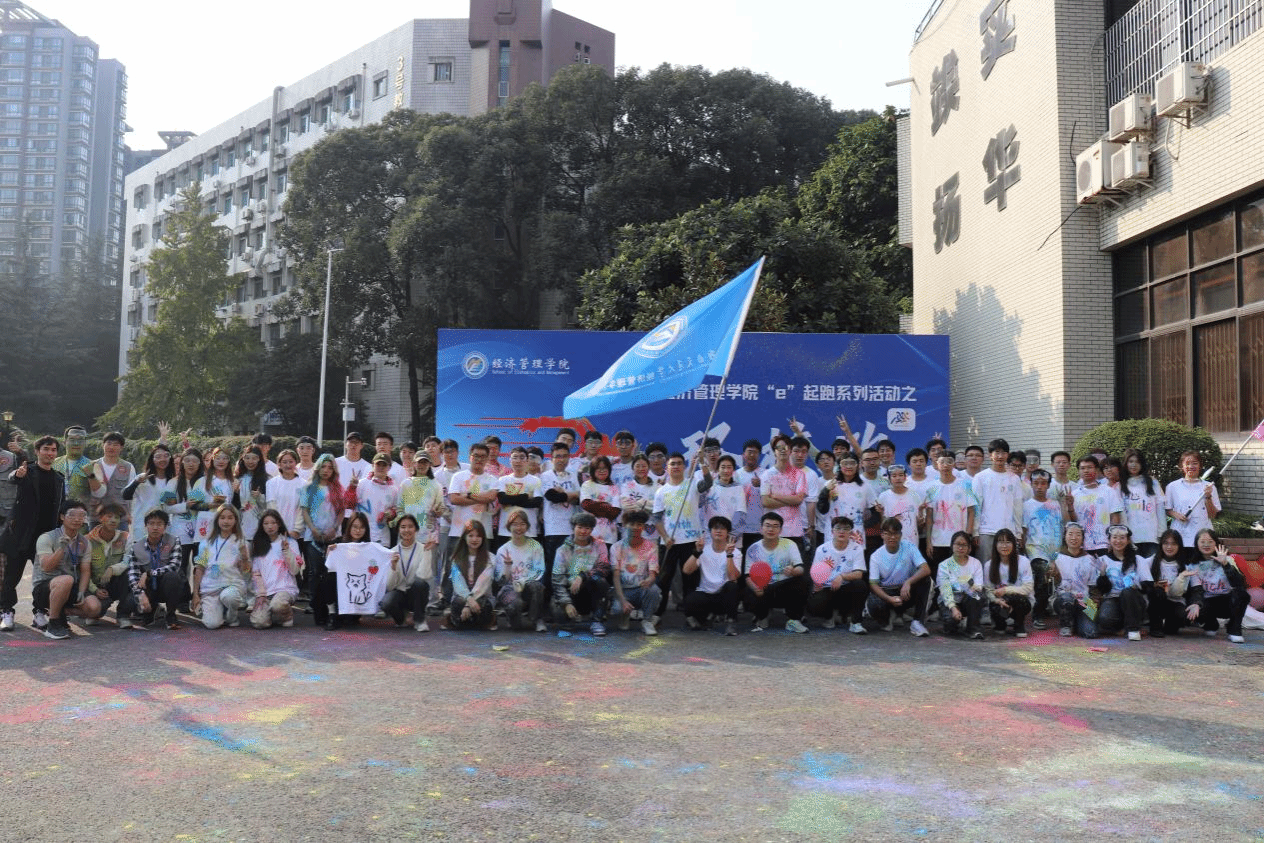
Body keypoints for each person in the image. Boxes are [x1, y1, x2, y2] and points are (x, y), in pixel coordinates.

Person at [0, 435, 64, 631]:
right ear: (37, 451)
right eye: (46, 449)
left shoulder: (59, 478)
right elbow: (13, 478)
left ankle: (39, 612)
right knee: (10, 576)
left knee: (43, 578)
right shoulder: (27, 470)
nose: (50, 453)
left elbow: (61, 506)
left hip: (45, 537)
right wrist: (17, 474)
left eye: (53, 450)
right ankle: (7, 612)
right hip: (20, 534)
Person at [31, 500, 103, 638]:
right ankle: (53, 625)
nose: (77, 519)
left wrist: (81, 591)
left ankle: (61, 613)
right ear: (62, 517)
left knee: (94, 608)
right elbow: (46, 567)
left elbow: (85, 570)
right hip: (45, 587)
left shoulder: (84, 542)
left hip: (70, 587)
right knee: (66, 580)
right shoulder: (47, 537)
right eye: (72, 515)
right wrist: (61, 549)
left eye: (81, 515)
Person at [652, 452, 705, 619]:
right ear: (667, 468)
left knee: (691, 579)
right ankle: (657, 614)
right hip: (669, 542)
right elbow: (656, 518)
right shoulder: (661, 491)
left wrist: (702, 463)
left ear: (684, 466)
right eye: (672, 464)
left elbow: (708, 483)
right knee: (664, 580)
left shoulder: (692, 485)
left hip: (691, 541)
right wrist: (665, 537)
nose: (676, 466)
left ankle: (692, 616)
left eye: (679, 463)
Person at [300, 454, 350, 628]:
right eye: (323, 467)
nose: (326, 470)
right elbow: (305, 511)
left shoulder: (338, 489)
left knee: (330, 572)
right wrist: (313, 529)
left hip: (332, 536)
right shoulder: (308, 488)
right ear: (318, 468)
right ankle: (315, 605)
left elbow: (342, 511)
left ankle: (330, 607)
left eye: (330, 468)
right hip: (312, 537)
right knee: (314, 571)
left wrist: (334, 528)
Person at [742, 511, 810, 633]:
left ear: (780, 530)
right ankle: (762, 615)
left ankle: (794, 620)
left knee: (802, 581)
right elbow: (747, 575)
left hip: (783, 588)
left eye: (775, 526)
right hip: (763, 588)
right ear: (761, 529)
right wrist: (755, 588)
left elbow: (800, 568)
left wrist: (793, 571)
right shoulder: (753, 549)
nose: (771, 529)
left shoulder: (789, 544)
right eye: (767, 525)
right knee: (748, 590)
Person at [865, 517, 932, 637]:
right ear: (882, 535)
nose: (892, 537)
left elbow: (925, 569)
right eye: (888, 534)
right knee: (873, 602)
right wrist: (888, 599)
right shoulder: (876, 556)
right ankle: (886, 619)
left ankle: (917, 622)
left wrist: (908, 582)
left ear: (900, 535)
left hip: (904, 590)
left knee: (925, 580)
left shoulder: (909, 546)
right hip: (887, 591)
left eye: (895, 533)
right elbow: (873, 584)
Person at [1183, 528, 1249, 643]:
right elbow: (1196, 589)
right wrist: (1196, 603)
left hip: (1227, 601)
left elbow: (1239, 583)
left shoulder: (1228, 559)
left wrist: (1225, 564)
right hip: (1207, 601)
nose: (1206, 545)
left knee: (1243, 595)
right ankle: (1210, 623)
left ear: (1216, 543)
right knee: (1193, 607)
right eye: (1202, 542)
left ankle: (1234, 629)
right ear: (1196, 544)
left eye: (1210, 541)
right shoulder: (1192, 565)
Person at [551, 512, 612, 636]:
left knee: (600, 581)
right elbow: (557, 579)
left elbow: (604, 567)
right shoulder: (562, 549)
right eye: (580, 527)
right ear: (573, 528)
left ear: (592, 529)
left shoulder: (599, 545)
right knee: (555, 605)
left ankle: (597, 621)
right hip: (570, 590)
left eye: (587, 528)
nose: (583, 531)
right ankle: (567, 623)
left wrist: (582, 576)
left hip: (590, 589)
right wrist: (566, 603)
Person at [191, 504, 251, 629]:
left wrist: (245, 558)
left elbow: (246, 572)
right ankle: (219, 610)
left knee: (229, 597)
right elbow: (200, 569)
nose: (226, 521)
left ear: (236, 520)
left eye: (230, 518)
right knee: (212, 624)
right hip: (210, 589)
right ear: (217, 520)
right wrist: (195, 594)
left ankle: (232, 616)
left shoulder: (241, 542)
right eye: (222, 518)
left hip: (232, 585)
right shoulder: (206, 543)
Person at [125, 508, 186, 630]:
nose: (155, 528)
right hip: (148, 587)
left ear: (165, 526)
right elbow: (133, 575)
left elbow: (174, 566)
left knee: (173, 576)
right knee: (131, 601)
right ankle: (152, 609)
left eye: (159, 524)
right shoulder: (136, 546)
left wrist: (149, 573)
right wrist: (141, 595)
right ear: (145, 526)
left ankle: (171, 615)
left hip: (167, 585)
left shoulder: (174, 541)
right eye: (151, 524)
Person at [681, 515, 742, 636]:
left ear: (728, 532)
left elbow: (733, 577)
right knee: (689, 601)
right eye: (715, 528)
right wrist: (697, 552)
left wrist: (729, 555)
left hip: (724, 595)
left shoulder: (736, 552)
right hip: (706, 593)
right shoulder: (704, 549)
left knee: (732, 586)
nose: (719, 531)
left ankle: (731, 622)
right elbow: (686, 570)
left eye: (722, 528)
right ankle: (706, 617)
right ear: (710, 531)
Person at [805, 516, 868, 633]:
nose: (842, 531)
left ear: (851, 532)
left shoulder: (857, 548)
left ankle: (856, 622)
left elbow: (859, 574)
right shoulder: (822, 549)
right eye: (838, 528)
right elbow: (815, 573)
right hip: (827, 587)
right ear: (832, 531)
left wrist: (842, 576)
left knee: (860, 585)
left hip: (846, 587)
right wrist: (817, 584)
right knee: (814, 604)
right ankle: (829, 616)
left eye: (846, 528)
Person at [492, 510, 548, 632]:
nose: (519, 528)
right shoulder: (503, 550)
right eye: (515, 524)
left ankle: (537, 619)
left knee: (537, 586)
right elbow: (500, 581)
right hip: (509, 589)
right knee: (517, 625)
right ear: (509, 526)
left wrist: (522, 581)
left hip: (528, 585)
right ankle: (511, 616)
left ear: (527, 526)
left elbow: (539, 571)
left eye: (522, 524)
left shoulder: (535, 546)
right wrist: (507, 566)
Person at [608, 510, 661, 635]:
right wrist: (623, 601)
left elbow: (653, 574)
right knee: (617, 609)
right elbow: (615, 576)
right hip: (624, 590)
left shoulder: (651, 546)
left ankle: (647, 620)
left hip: (641, 589)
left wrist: (649, 580)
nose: (635, 527)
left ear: (644, 527)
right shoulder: (616, 547)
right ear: (625, 525)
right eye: (632, 524)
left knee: (654, 590)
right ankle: (624, 615)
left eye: (639, 524)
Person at [1021, 469, 1061, 630]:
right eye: (1036, 483)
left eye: (1043, 483)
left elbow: (1062, 526)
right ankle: (1038, 615)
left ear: (1048, 485)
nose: (1039, 487)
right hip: (1035, 550)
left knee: (1063, 582)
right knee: (1042, 577)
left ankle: (1084, 614)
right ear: (1031, 484)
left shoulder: (1055, 505)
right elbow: (1023, 531)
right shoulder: (1026, 506)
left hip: (1056, 551)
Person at [972, 438, 1024, 563]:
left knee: (1007, 567)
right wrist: (975, 532)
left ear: (1008, 455)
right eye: (997, 452)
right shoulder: (980, 477)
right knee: (986, 566)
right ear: (990, 455)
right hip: (986, 531)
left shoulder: (1014, 479)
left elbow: (1018, 507)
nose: (1000, 456)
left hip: (1009, 532)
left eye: (1003, 453)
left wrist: (1018, 533)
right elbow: (976, 506)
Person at [248, 509, 303, 629]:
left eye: (273, 523)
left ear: (279, 524)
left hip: (285, 589)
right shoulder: (257, 544)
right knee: (259, 622)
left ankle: (286, 616)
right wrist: (261, 594)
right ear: (262, 526)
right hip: (266, 592)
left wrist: (286, 551)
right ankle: (270, 614)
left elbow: (295, 570)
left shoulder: (290, 542)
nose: (270, 526)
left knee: (278, 605)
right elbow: (256, 573)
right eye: (266, 523)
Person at [1051, 522, 1106, 638]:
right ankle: (1066, 625)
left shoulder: (1090, 559)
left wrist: (1094, 603)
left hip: (1085, 601)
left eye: (1078, 535)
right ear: (1065, 537)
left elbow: (1094, 586)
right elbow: (1048, 578)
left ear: (1083, 538)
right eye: (1070, 534)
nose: (1074, 538)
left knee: (1091, 633)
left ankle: (1077, 621)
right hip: (1063, 599)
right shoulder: (1056, 556)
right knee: (1066, 598)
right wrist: (1051, 572)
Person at [1098, 524, 1152, 641]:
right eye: (1115, 537)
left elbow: (1149, 585)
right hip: (1113, 599)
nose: (1118, 541)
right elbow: (1103, 590)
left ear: (1128, 540)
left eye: (1122, 538)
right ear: (1109, 540)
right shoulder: (1103, 560)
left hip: (1134, 599)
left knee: (1127, 592)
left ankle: (1133, 629)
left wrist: (1137, 586)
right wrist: (1102, 575)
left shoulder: (1138, 560)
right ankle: (1121, 627)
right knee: (1104, 618)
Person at [379, 514, 431, 631]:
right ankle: (401, 618)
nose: (406, 530)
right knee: (386, 602)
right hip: (400, 593)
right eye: (403, 527)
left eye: (410, 526)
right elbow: (389, 586)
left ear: (416, 529)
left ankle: (419, 620)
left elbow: (424, 576)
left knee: (420, 584)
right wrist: (393, 567)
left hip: (416, 593)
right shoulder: (392, 552)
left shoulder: (423, 549)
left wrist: (427, 554)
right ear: (398, 530)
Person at [1064, 456, 1124, 556]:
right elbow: (1074, 521)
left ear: (1097, 470)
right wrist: (1070, 506)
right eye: (1082, 468)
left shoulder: (1109, 491)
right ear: (1078, 471)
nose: (1086, 471)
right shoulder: (1074, 494)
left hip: (1104, 544)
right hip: (1081, 545)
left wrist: (1113, 540)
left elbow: (1115, 517)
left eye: (1089, 467)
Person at [84, 502, 131, 628]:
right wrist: (95, 590)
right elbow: (82, 570)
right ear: (100, 518)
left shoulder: (125, 537)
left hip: (115, 582)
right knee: (93, 613)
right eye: (109, 516)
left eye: (116, 517)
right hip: (94, 585)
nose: (113, 520)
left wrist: (112, 569)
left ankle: (123, 615)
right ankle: (95, 610)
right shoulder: (87, 540)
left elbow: (128, 561)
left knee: (129, 574)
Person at [1164, 451, 1221, 552]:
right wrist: (1176, 514)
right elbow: (1167, 510)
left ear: (1200, 466)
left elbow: (1212, 515)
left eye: (1195, 463)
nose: (1191, 466)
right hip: (1180, 535)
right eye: (1187, 463)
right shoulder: (1172, 487)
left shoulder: (1209, 487)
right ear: (1182, 466)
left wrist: (1208, 497)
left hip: (1203, 537)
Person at [540, 441, 580, 582]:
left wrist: (565, 493)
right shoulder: (546, 476)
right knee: (553, 566)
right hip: (553, 528)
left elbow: (579, 499)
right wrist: (572, 494)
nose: (561, 460)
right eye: (557, 456)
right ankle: (551, 594)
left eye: (564, 456)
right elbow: (552, 497)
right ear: (552, 458)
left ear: (569, 458)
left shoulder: (573, 475)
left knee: (569, 567)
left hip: (571, 528)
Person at [984, 528, 1034, 637]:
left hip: (1020, 600)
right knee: (995, 607)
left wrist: (1006, 590)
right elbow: (988, 590)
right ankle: (1000, 623)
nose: (1004, 546)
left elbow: (1028, 588)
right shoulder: (989, 565)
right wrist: (996, 600)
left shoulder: (1023, 561)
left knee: (1019, 600)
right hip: (1000, 600)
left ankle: (1019, 624)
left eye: (1008, 542)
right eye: (1001, 542)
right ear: (995, 545)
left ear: (1014, 544)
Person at [446, 520, 495, 630]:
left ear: (483, 538)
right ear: (464, 537)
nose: (474, 539)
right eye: (471, 535)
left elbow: (483, 582)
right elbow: (458, 583)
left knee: (481, 603)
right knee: (459, 602)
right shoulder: (456, 558)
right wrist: (468, 599)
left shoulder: (491, 558)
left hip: (481, 597)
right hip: (463, 598)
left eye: (478, 536)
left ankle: (480, 621)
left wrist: (469, 603)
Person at [936, 531, 986, 638]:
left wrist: (970, 587)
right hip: (950, 601)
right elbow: (945, 590)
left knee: (979, 596)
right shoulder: (944, 565)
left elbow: (979, 586)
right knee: (950, 625)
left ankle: (973, 629)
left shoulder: (975, 563)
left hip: (968, 598)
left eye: (964, 545)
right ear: (952, 546)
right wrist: (953, 607)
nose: (960, 548)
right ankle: (954, 621)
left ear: (969, 548)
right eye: (958, 544)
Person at [123, 444, 176, 537]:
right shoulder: (143, 478)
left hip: (165, 528)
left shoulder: (173, 481)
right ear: (152, 459)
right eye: (158, 457)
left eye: (166, 456)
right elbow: (125, 495)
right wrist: (137, 482)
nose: (162, 459)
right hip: (142, 527)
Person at [166, 448, 206, 568]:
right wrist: (185, 506)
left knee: (201, 567)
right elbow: (165, 508)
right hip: (180, 532)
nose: (191, 464)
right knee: (180, 567)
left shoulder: (207, 482)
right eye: (187, 460)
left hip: (202, 531)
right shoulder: (172, 483)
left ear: (200, 463)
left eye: (195, 461)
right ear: (182, 462)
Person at [1122, 449, 1164, 558]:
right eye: (1131, 461)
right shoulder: (1120, 485)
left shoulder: (1153, 482)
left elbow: (1160, 509)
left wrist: (1162, 533)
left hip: (1152, 537)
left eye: (1137, 462)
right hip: (1131, 538)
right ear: (1126, 463)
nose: (1134, 465)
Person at [87, 432, 135, 527]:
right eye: (109, 444)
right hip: (96, 517)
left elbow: (131, 493)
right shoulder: (91, 466)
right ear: (103, 445)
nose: (111, 447)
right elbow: (84, 492)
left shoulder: (128, 467)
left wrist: (130, 514)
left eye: (116, 445)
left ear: (121, 447)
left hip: (120, 518)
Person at [1147, 529, 1188, 637]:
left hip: (1175, 601)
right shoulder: (1152, 560)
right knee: (1158, 592)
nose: (1169, 547)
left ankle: (1170, 625)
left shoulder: (1184, 565)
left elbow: (1180, 592)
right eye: (1166, 543)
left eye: (1174, 544)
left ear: (1179, 545)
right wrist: (1155, 584)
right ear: (1161, 544)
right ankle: (1155, 627)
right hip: (1156, 600)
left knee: (1180, 618)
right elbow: (1142, 581)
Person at [356, 453, 400, 545]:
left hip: (382, 537)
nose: (381, 467)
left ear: (389, 467)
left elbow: (397, 510)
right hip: (361, 535)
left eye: (384, 465)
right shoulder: (361, 484)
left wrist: (391, 513)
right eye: (378, 464)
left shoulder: (394, 490)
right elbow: (350, 504)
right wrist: (351, 488)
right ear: (372, 465)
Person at [580, 456, 621, 552]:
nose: (602, 471)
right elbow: (586, 505)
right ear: (593, 470)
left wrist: (596, 506)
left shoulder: (614, 488)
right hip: (590, 534)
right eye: (598, 468)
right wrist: (606, 505)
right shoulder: (587, 485)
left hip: (609, 536)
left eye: (604, 468)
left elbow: (614, 512)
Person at [234, 445, 270, 539]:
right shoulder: (237, 479)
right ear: (243, 459)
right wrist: (235, 493)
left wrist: (259, 497)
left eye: (254, 458)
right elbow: (233, 505)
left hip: (260, 527)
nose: (250, 461)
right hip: (240, 527)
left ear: (259, 460)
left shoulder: (267, 480)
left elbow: (271, 505)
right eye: (247, 458)